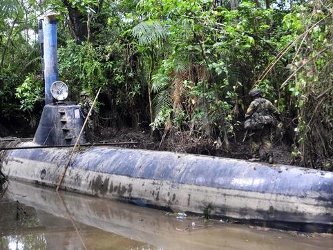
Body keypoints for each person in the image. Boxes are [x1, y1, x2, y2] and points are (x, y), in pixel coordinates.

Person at [244, 89, 281, 163]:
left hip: (257, 124)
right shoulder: (267, 102)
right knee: (266, 139)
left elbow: (248, 114)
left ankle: (256, 157)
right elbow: (275, 111)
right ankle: (270, 156)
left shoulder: (253, 103)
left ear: (254, 96)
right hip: (267, 123)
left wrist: (248, 121)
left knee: (255, 140)